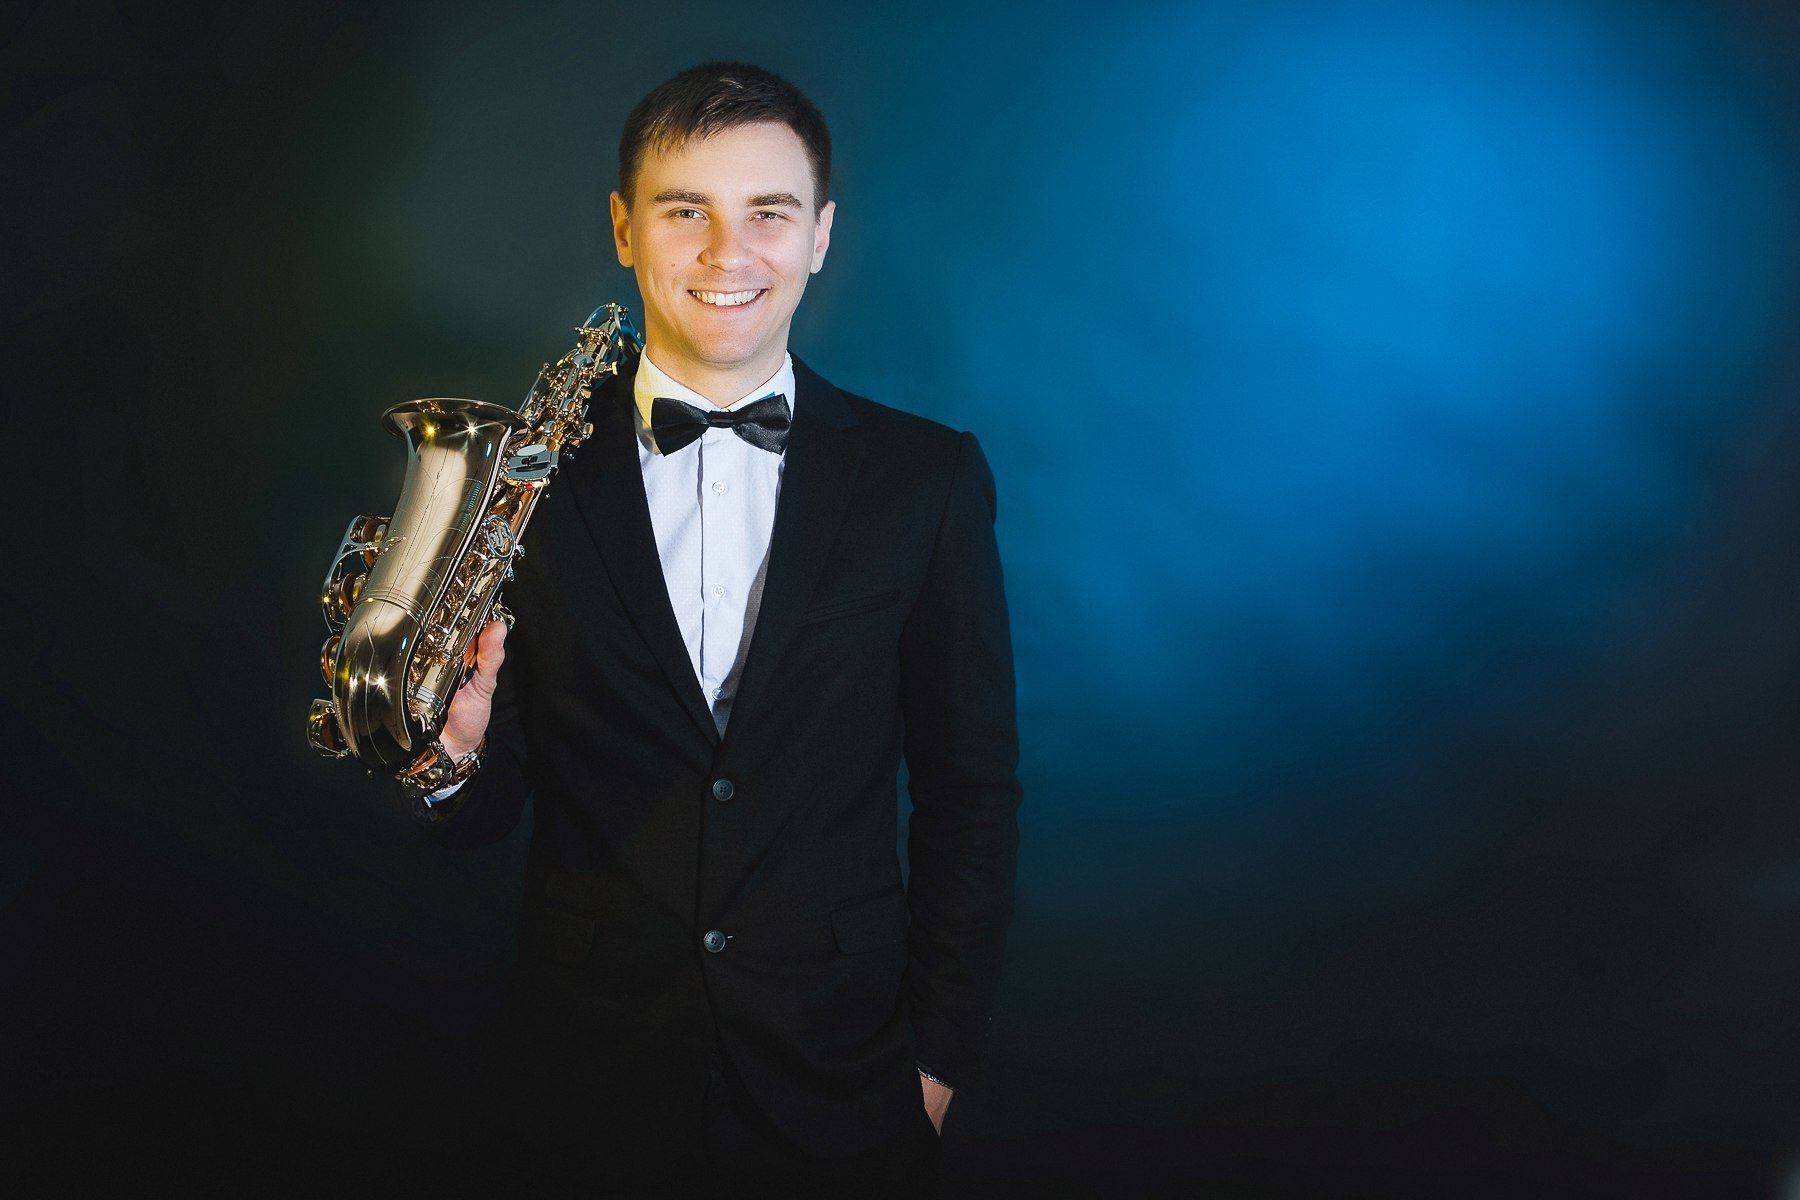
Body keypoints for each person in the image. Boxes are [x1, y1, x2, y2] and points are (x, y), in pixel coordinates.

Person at [414, 62, 1020, 1195]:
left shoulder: (927, 480)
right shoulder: (518, 481)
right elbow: (482, 820)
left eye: (768, 214)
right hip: (579, 1087)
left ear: (822, 235)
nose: (726, 253)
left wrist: (938, 1062)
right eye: (685, 210)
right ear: (624, 229)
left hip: (846, 1085)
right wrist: (450, 758)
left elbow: (970, 789)